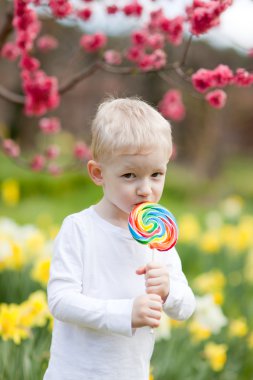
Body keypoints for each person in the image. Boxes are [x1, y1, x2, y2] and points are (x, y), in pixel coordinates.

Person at [43, 97, 196, 380]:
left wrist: (168, 291)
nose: (145, 189)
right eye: (130, 175)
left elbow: (186, 307)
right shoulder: (79, 229)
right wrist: (125, 313)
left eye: (156, 174)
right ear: (98, 173)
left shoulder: (156, 237)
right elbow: (61, 301)